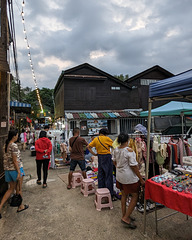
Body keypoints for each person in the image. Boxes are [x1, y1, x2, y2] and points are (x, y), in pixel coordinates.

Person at [113, 133, 145, 229]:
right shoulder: (129, 151)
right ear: (127, 141)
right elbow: (134, 166)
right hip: (129, 178)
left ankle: (124, 215)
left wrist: (120, 168)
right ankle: (126, 218)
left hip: (119, 176)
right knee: (135, 195)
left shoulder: (116, 150)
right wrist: (141, 179)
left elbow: (114, 162)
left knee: (124, 195)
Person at [0, 130, 29, 219]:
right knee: (19, 189)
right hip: (15, 170)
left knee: (11, 189)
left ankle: (0, 207)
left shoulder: (5, 145)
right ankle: (20, 206)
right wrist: (19, 172)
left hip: (8, 170)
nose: (17, 137)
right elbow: (15, 160)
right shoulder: (14, 146)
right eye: (17, 135)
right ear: (14, 136)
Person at [87, 128, 116, 201]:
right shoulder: (107, 138)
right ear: (105, 133)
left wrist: (94, 154)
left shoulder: (96, 139)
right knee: (108, 176)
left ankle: (101, 192)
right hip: (107, 157)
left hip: (100, 156)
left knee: (101, 175)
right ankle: (110, 194)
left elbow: (88, 147)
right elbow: (114, 146)